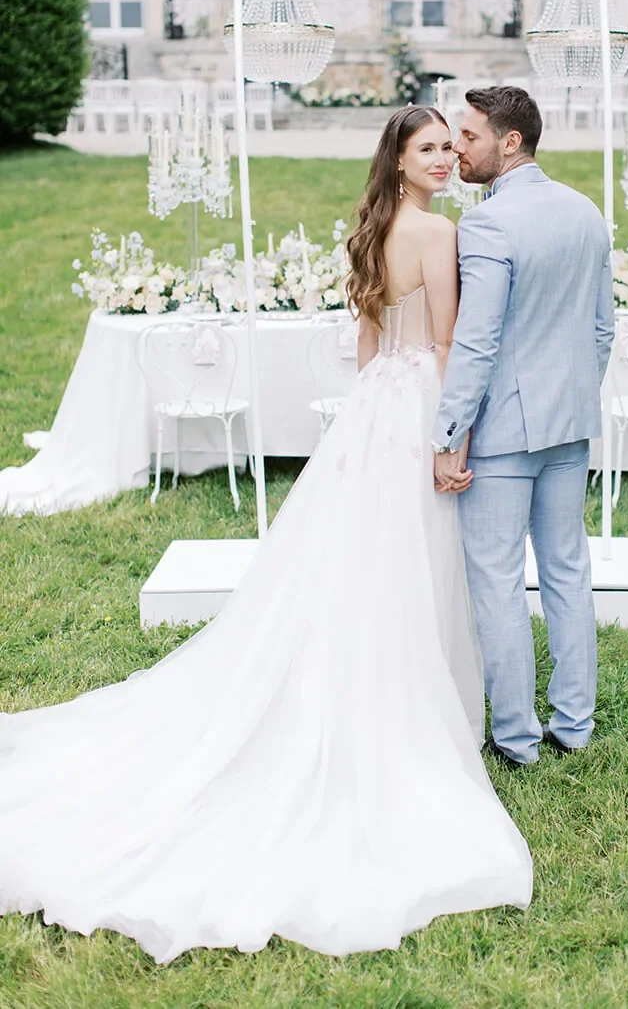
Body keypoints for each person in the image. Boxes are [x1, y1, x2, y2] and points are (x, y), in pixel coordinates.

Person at [0, 106, 532, 964]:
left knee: (360, 560)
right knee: (413, 561)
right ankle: (420, 706)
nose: (442, 160)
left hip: (374, 410)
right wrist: (448, 440)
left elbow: (369, 344)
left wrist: (368, 419)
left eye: (447, 147)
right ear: (399, 161)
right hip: (421, 405)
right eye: (427, 148)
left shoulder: (372, 230)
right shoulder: (436, 235)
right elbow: (446, 346)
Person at [432, 86, 614, 768]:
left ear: (510, 142)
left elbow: (475, 343)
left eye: (469, 137)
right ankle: (574, 722)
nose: (458, 148)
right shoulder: (585, 212)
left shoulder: (485, 226)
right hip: (570, 427)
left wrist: (449, 435)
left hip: (503, 436)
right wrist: (570, 398)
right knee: (567, 570)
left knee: (499, 581)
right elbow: (601, 330)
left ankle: (514, 737)